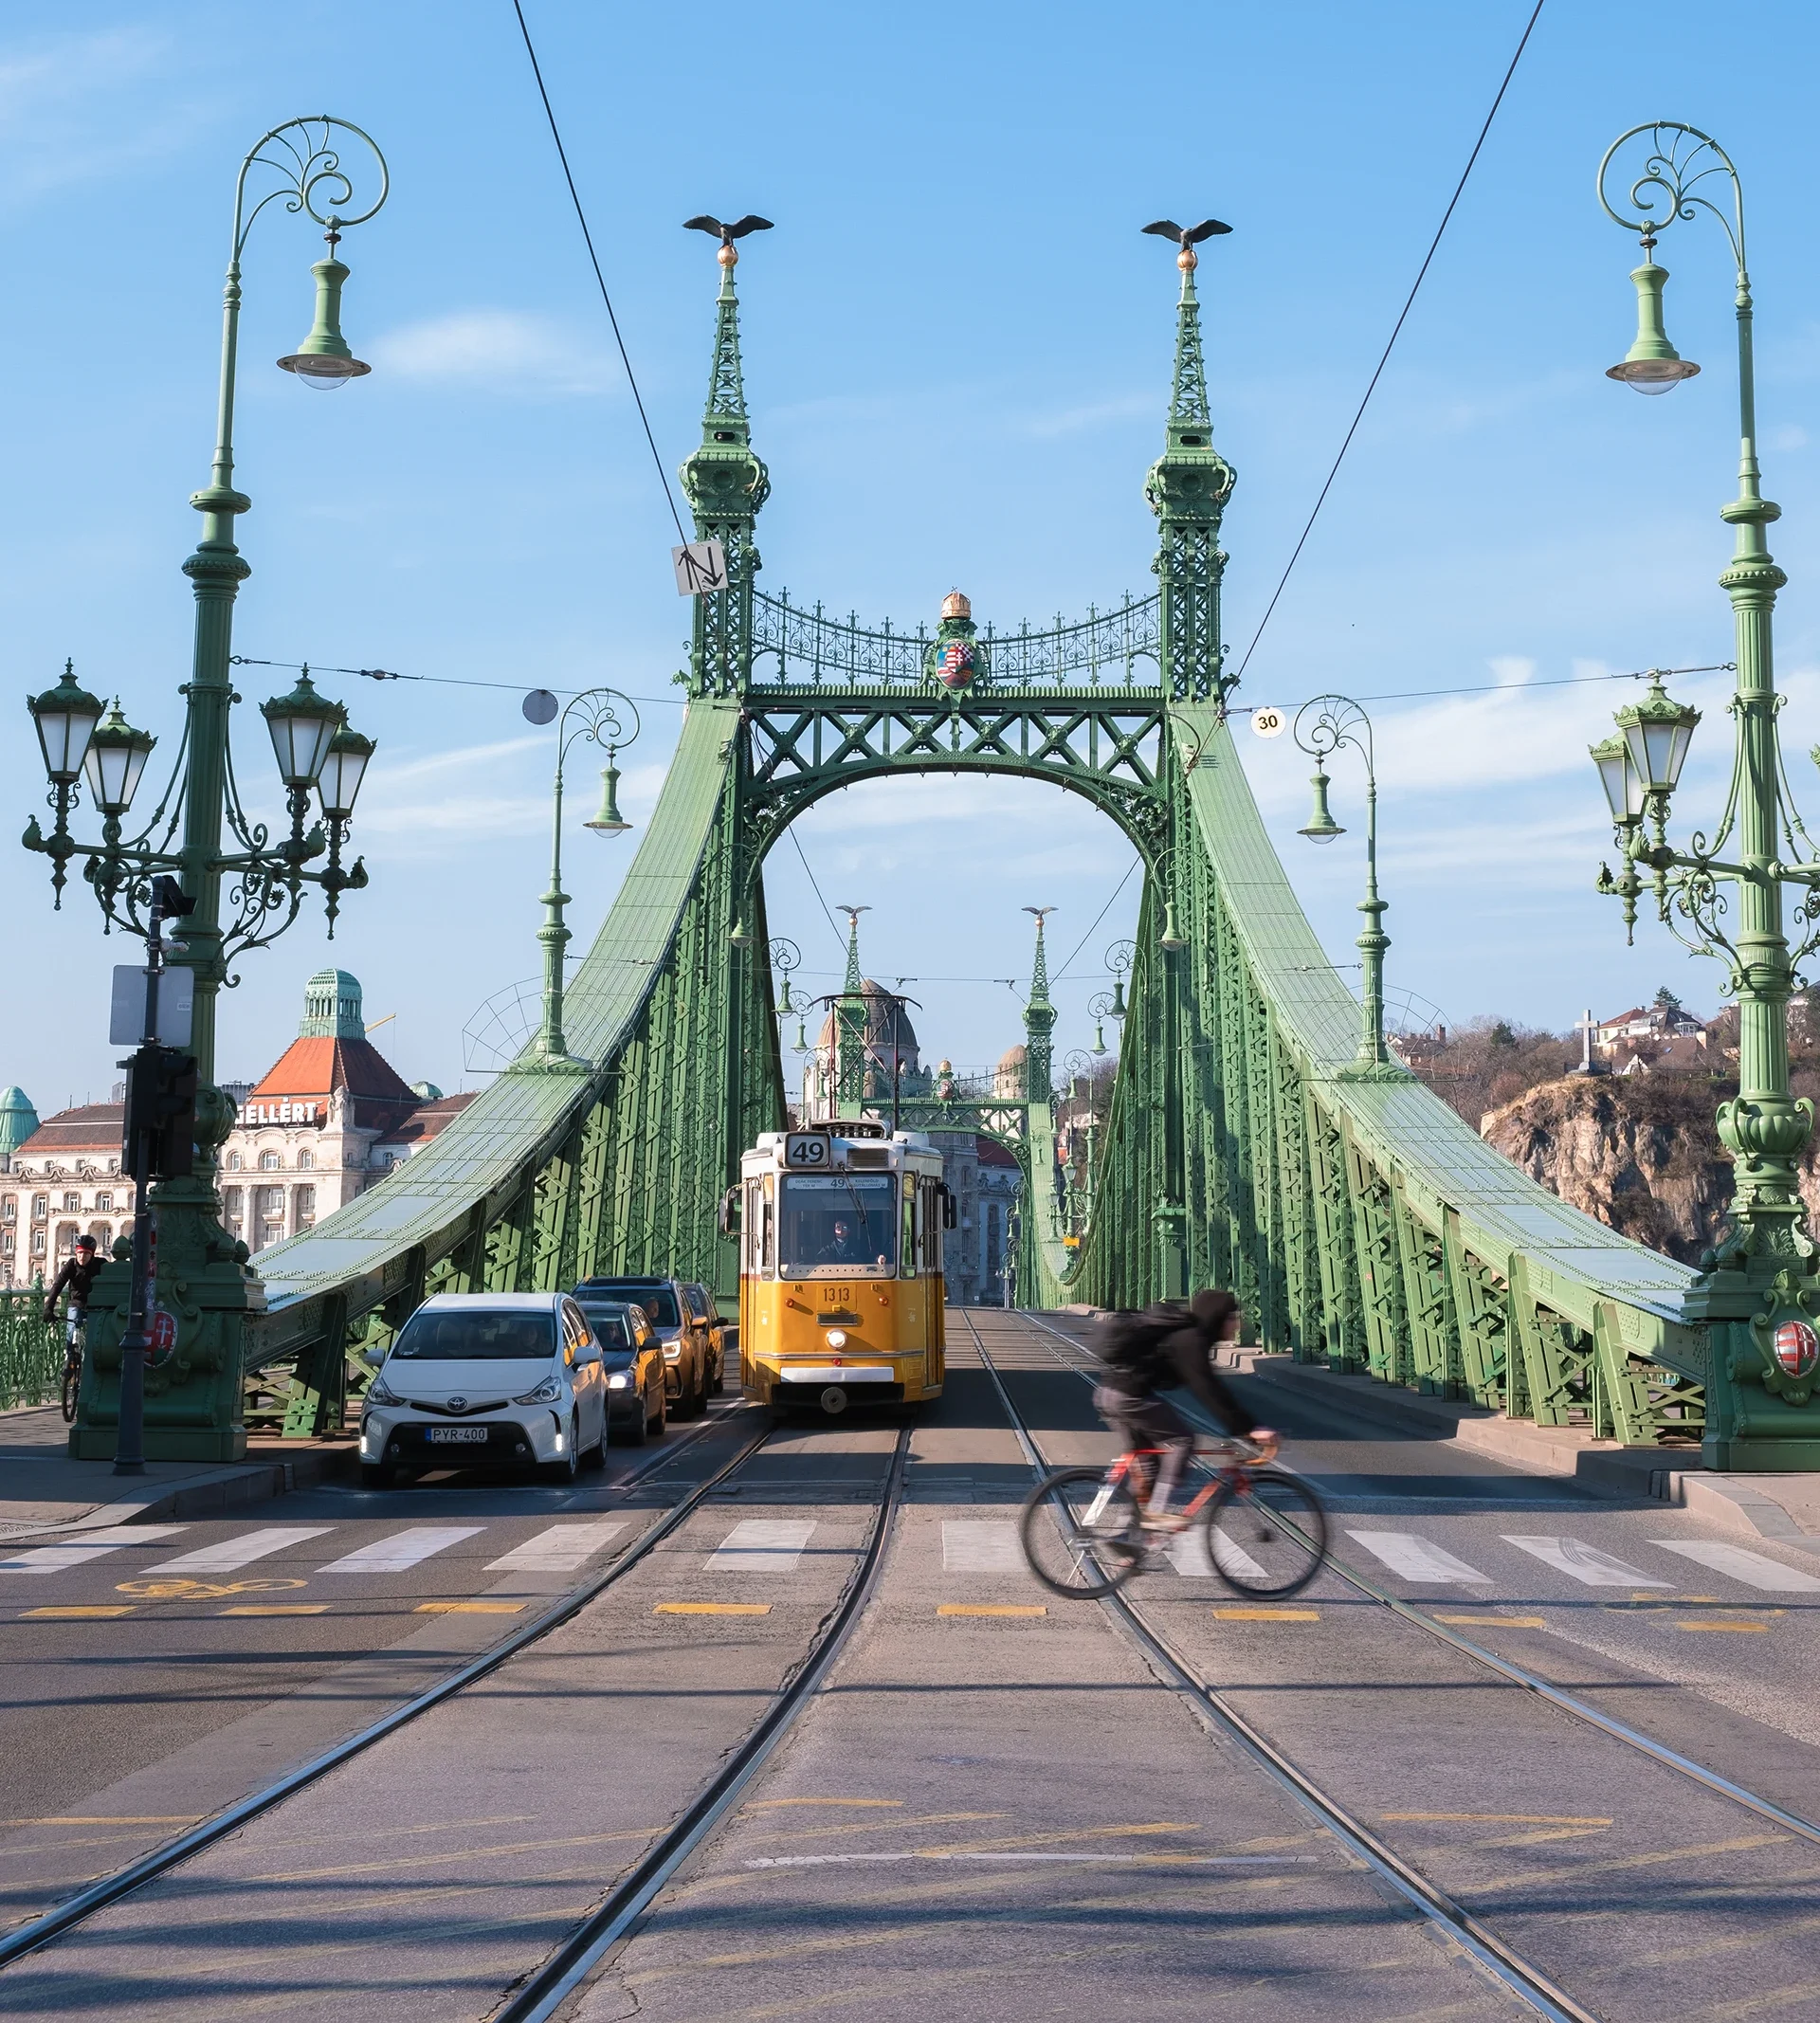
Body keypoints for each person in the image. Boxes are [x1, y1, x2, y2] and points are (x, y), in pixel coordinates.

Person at [1093, 1287, 1277, 1529]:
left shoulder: (1188, 1337)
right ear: (1217, 1316)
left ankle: (1125, 1537)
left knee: (1148, 1469)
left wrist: (1242, 1426)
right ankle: (1155, 1514)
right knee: (1183, 1440)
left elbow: (1210, 1389)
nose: (1236, 1324)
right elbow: (1209, 1391)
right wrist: (1249, 1428)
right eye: (1232, 1317)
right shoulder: (1191, 1340)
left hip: (1109, 1394)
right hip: (1128, 1397)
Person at [45, 1233, 104, 1347]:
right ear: (76, 1253)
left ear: (92, 1255)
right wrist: (49, 1307)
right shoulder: (71, 1265)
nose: (82, 1257)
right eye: (80, 1253)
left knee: (97, 1338)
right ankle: (70, 1356)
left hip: (95, 1305)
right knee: (72, 1334)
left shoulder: (100, 1264)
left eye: (87, 1253)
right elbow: (58, 1285)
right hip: (76, 1303)